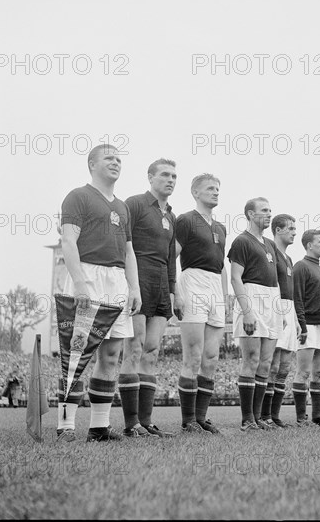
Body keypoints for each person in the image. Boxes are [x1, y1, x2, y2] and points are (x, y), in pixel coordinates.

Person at [58, 144, 141, 442]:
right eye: (109, 158)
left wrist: (134, 288)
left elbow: (129, 251)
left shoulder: (122, 206)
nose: (116, 162)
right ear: (92, 164)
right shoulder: (78, 196)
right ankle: (66, 426)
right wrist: (79, 283)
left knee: (111, 355)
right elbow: (69, 242)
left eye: (119, 159)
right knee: (77, 354)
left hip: (117, 280)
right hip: (88, 275)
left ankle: (99, 427)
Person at [118, 159, 177, 438]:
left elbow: (170, 258)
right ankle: (131, 425)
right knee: (135, 347)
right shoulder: (135, 204)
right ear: (150, 177)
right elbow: (121, 241)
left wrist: (173, 289)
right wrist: (129, 284)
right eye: (165, 175)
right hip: (138, 280)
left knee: (152, 351)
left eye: (174, 176)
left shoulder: (171, 216)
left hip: (162, 284)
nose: (170, 180)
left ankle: (146, 421)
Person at [174, 173, 228, 434]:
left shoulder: (220, 227)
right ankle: (188, 421)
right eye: (209, 188)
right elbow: (169, 257)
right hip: (192, 280)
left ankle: (202, 417)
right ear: (195, 192)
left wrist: (225, 298)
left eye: (217, 188)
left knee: (211, 357)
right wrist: (176, 293)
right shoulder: (185, 220)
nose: (215, 192)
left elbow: (222, 266)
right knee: (193, 356)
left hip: (215, 285)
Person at [228, 197, 282, 431]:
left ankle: (259, 417)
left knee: (266, 362)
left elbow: (276, 280)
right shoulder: (242, 241)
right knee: (251, 359)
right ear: (250, 214)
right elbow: (235, 277)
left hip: (271, 301)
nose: (269, 214)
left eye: (270, 210)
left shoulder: (269, 244)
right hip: (252, 298)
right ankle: (247, 419)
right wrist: (247, 311)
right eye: (263, 211)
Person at [292, 229, 320, 426]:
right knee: (303, 372)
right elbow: (297, 298)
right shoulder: (301, 266)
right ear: (309, 245)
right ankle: (302, 418)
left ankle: (318, 415)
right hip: (308, 324)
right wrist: (302, 325)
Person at [260, 214, 301, 428]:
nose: (295, 232)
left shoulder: (289, 258)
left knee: (284, 366)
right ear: (277, 229)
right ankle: (263, 415)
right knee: (272, 364)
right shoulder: (270, 251)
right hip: (276, 305)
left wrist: (294, 317)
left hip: (289, 308)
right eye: (290, 228)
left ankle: (274, 415)